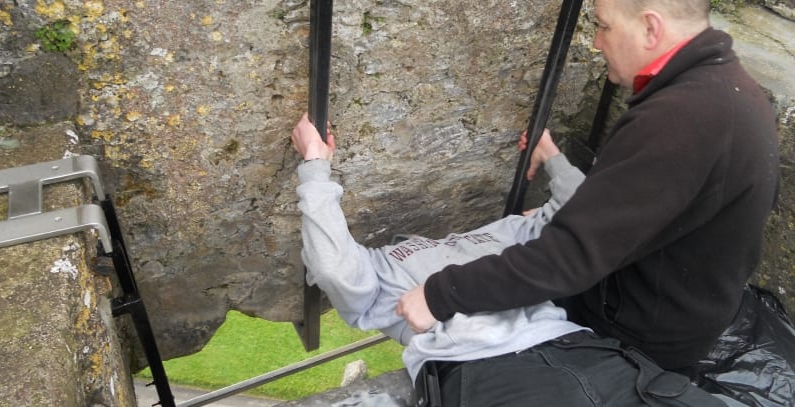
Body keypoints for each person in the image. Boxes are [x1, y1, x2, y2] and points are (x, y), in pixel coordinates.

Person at [397, 0, 781, 375]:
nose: (597, 42)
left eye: (604, 25)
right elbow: (642, 207)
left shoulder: (679, 121)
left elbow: (571, 256)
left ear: (651, 27)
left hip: (635, 337)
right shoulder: (729, 87)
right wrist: (556, 164)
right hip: (678, 303)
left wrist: (442, 293)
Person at [291, 113, 725, 406]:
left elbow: (587, 213)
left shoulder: (506, 230)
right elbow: (331, 265)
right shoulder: (381, 266)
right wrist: (314, 164)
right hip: (483, 368)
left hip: (577, 347)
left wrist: (550, 156)